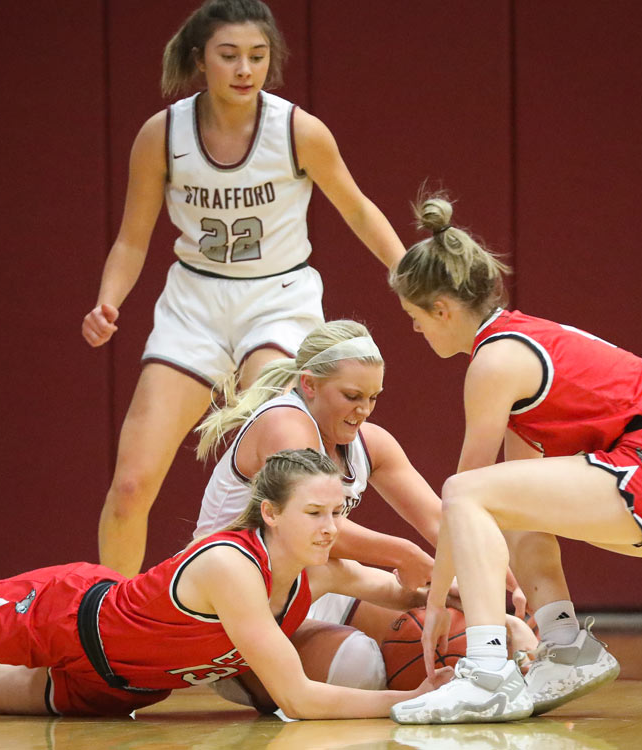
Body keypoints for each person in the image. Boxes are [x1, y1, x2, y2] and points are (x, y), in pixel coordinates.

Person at [384, 194, 642, 724]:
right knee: (508, 508)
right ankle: (565, 647)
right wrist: (491, 573)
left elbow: (465, 489)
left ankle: (486, 674)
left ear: (442, 309)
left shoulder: (495, 359)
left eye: (415, 318)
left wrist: (438, 604)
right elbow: (503, 508)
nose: (415, 330)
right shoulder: (525, 343)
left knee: (465, 491)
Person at [0, 404, 447, 718]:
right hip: (61, 618)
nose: (331, 528)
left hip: (125, 687)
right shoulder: (230, 567)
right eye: (315, 514)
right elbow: (301, 700)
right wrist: (415, 699)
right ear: (269, 513)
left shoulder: (319, 570)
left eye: (337, 513)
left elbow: (411, 592)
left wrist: (490, 618)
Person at [81, 0, 406, 575]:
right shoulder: (162, 134)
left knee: (282, 470)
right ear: (199, 59)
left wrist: (407, 275)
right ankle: (115, 624)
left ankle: (270, 618)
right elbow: (132, 240)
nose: (243, 70)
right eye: (228, 56)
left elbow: (357, 208)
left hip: (279, 299)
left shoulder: (297, 130)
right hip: (195, 303)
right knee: (130, 484)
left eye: (256, 57)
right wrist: (109, 300)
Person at [193, 319, 530, 707]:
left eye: (373, 397)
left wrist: (502, 578)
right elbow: (318, 526)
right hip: (238, 600)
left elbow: (445, 521)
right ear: (309, 384)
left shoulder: (371, 444)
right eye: (352, 395)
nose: (364, 410)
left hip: (313, 583)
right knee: (359, 666)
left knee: (448, 633)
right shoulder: (284, 424)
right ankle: (254, 680)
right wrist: (404, 554)